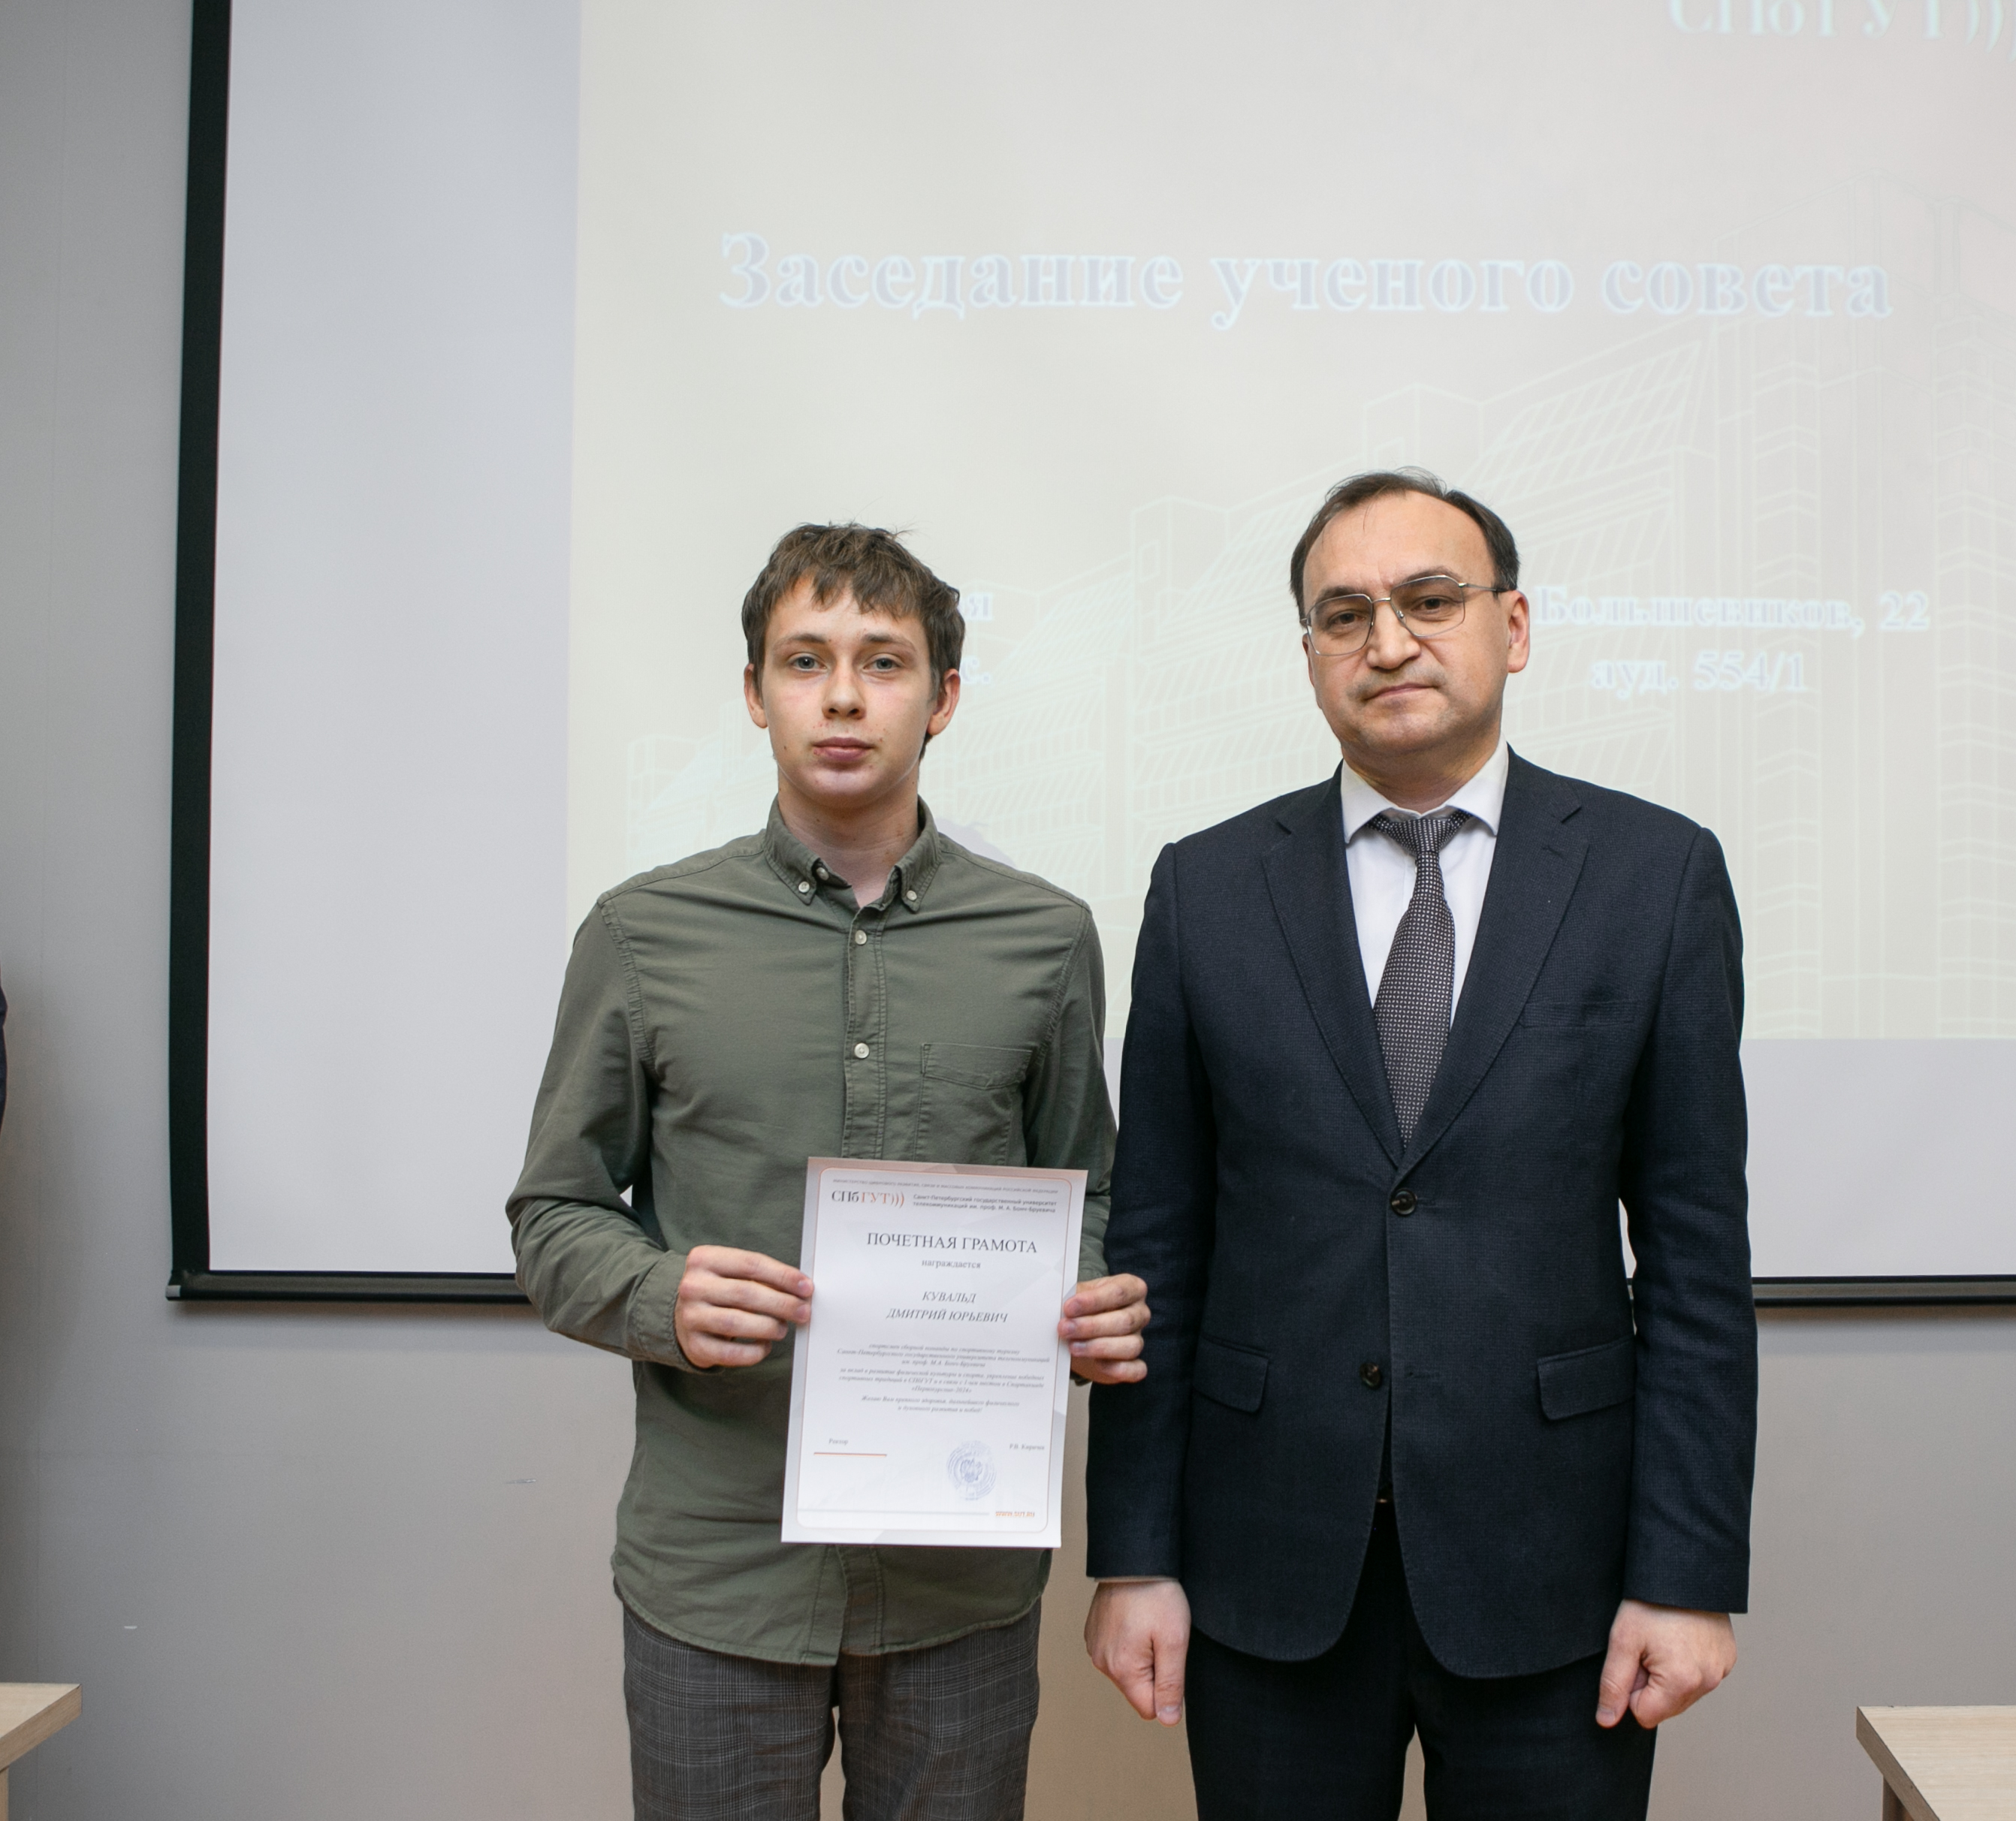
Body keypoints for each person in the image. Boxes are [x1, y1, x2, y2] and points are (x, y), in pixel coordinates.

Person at [1082, 472, 1757, 1819]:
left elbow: (1695, 1262)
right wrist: (1134, 1552)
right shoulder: (1204, 886)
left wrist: (1684, 1574)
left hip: (1555, 1571)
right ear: (1310, 655)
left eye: (1429, 600)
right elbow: (1159, 1241)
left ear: (1513, 626)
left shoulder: (1654, 874)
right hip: (1266, 1562)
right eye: (1344, 614)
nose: (1386, 641)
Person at [509, 523, 1150, 1821]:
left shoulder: (1044, 936)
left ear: (943, 697)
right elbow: (554, 1211)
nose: (844, 696)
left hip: (958, 1576)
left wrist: (1086, 1296)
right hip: (718, 1574)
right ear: (755, 693)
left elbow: (1089, 1188)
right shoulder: (640, 933)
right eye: (805, 660)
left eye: (883, 661)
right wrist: (660, 1294)